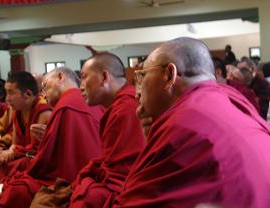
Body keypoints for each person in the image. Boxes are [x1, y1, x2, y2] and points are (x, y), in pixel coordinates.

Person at [109, 37, 270, 208]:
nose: (137, 93)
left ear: (169, 75)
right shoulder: (232, 98)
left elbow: (131, 201)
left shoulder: (182, 124)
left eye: (142, 75)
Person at [30, 53, 145, 208]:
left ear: (104, 77)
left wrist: (86, 182)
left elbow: (123, 172)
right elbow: (110, 159)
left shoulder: (126, 108)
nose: (81, 85)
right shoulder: (118, 106)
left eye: (84, 77)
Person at [0, 67, 104, 208]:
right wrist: (50, 136)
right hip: (85, 173)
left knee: (16, 189)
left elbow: (45, 162)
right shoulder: (93, 102)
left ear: (60, 77)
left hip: (73, 177)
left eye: (45, 86)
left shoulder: (62, 106)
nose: (43, 94)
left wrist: (47, 141)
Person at [0, 71, 52, 184]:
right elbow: (16, 144)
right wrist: (10, 152)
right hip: (23, 157)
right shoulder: (18, 111)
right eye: (6, 92)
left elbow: (38, 154)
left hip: (37, 164)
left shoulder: (43, 111)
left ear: (28, 94)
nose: (7, 99)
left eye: (11, 93)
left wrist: (12, 153)